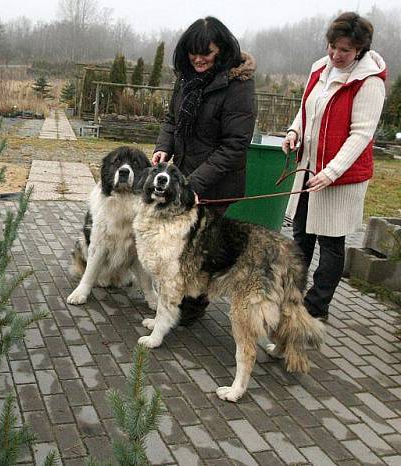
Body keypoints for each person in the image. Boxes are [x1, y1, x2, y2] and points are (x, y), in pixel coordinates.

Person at [152, 16, 257, 326]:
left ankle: (192, 307)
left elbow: (235, 144)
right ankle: (173, 301)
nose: (198, 59)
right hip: (184, 176)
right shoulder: (186, 78)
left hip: (216, 184)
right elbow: (172, 120)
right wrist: (163, 147)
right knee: (179, 245)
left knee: (200, 250)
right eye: (192, 53)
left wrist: (194, 184)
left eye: (206, 53)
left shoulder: (238, 85)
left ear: (221, 50)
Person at [283, 12, 387, 321]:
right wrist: (293, 132)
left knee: (330, 242)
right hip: (309, 168)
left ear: (360, 50)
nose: (336, 55)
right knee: (301, 236)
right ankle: (292, 297)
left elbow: (361, 135)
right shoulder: (319, 68)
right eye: (333, 46)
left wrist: (330, 173)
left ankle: (317, 306)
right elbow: (306, 111)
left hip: (341, 177)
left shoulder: (369, 82)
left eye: (345, 50)